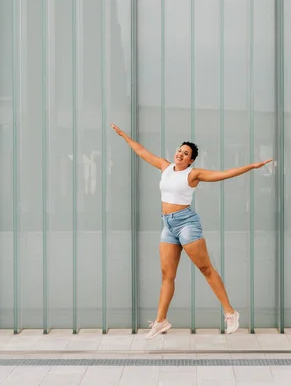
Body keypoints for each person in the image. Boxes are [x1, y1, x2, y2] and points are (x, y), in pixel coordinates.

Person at [111, 124, 272, 339]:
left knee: (205, 268)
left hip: (186, 224)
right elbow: (142, 151)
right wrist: (124, 136)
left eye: (186, 153)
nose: (180, 154)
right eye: (180, 150)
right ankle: (161, 321)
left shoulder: (193, 174)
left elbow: (223, 174)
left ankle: (230, 312)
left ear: (191, 160)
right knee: (167, 274)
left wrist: (251, 166)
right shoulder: (165, 167)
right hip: (168, 225)